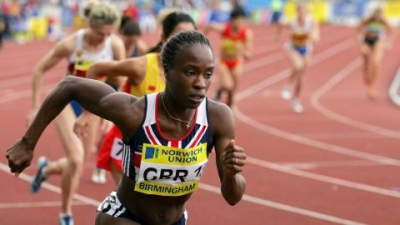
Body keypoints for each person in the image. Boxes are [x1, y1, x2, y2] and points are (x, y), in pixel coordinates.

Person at [6, 29, 247, 225]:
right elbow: (69, 85)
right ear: (168, 72)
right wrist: (28, 143)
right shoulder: (135, 113)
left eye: (208, 74)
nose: (200, 84)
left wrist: (232, 173)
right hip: (124, 218)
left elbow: (232, 197)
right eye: (190, 72)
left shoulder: (218, 117)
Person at [25, 2, 125, 224]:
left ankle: (47, 168)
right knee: (77, 158)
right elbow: (40, 69)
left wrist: (112, 115)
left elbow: (121, 80)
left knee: (76, 166)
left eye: (108, 34)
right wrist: (34, 107)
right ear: (90, 25)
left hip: (94, 109)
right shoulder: (71, 44)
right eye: (100, 33)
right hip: (68, 105)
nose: (103, 38)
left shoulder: (115, 45)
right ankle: (66, 214)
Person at [76, 11, 196, 185]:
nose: (186, 44)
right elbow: (95, 69)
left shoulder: (191, 74)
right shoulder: (141, 66)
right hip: (128, 145)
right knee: (133, 207)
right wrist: (87, 113)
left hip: (161, 149)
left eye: (190, 37)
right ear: (164, 38)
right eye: (179, 36)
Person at [89, 14, 149, 184]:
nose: (131, 44)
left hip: (125, 91)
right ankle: (99, 166)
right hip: (106, 89)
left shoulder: (142, 49)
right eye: (128, 41)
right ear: (122, 35)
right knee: (103, 132)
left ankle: (113, 166)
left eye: (134, 41)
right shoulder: (115, 45)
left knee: (111, 133)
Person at [204, 6, 253, 108]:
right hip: (223, 62)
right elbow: (210, 25)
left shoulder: (246, 33)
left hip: (237, 62)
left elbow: (249, 55)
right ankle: (220, 90)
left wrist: (242, 50)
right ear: (232, 20)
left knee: (232, 92)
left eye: (242, 20)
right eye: (237, 20)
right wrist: (202, 39)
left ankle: (229, 111)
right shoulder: (225, 29)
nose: (240, 23)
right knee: (227, 85)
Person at [276, 3, 320, 113]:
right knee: (297, 65)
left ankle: (296, 100)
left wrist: (314, 37)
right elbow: (281, 24)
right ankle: (289, 85)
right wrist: (277, 35)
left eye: (303, 11)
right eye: (299, 11)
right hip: (292, 48)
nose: (301, 14)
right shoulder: (292, 22)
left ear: (307, 12)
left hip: (305, 49)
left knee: (301, 78)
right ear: (297, 12)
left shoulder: (312, 21)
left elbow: (316, 35)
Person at [357, 7, 394, 99]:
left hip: (378, 40)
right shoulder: (367, 20)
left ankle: (372, 87)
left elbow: (393, 31)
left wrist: (389, 42)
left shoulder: (383, 20)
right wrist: (361, 43)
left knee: (376, 63)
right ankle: (366, 70)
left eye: (380, 16)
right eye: (376, 16)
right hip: (366, 40)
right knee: (365, 55)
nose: (378, 18)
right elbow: (357, 31)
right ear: (373, 15)